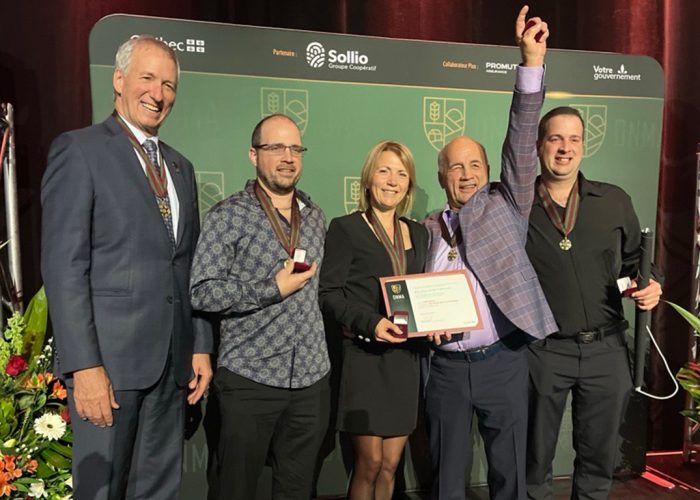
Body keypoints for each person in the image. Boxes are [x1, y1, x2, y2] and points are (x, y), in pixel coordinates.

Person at [41, 35, 213, 499]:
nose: (159, 94)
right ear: (119, 81)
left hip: (172, 367)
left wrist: (198, 345)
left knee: (158, 491)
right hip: (109, 369)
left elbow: (188, 265)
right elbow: (63, 267)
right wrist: (84, 366)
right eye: (148, 78)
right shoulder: (80, 151)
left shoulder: (181, 167)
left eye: (170, 85)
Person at [421, 6, 556, 500]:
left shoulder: (507, 202)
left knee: (509, 480)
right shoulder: (424, 229)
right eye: (455, 167)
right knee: (447, 483)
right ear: (442, 177)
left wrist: (530, 62)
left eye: (475, 163)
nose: (468, 173)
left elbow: (522, 135)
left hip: (503, 361)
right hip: (447, 371)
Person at [525, 106, 663, 499]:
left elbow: (642, 260)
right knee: (534, 461)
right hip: (543, 351)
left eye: (573, 139)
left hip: (606, 350)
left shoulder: (613, 200)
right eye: (555, 139)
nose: (565, 149)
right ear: (538, 146)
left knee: (598, 462)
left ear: (584, 147)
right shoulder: (517, 208)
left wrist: (652, 284)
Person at [190, 113, 330, 499]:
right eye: (275, 148)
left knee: (297, 490)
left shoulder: (315, 217)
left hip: (311, 379)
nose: (288, 156)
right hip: (249, 377)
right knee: (233, 489)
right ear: (254, 154)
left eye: (294, 148)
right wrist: (271, 288)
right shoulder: (228, 215)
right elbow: (201, 291)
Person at [319, 140, 429, 499]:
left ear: (409, 184)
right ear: (368, 179)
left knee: (391, 465)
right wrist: (371, 323)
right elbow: (329, 294)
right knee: (368, 463)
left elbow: (424, 293)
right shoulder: (346, 228)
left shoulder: (420, 233)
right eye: (384, 171)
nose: (392, 181)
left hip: (405, 360)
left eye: (401, 173)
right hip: (365, 360)